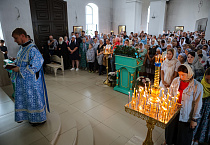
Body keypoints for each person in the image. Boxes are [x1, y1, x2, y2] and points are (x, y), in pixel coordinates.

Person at [11, 28, 49, 126]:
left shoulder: (32, 49)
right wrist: (14, 63)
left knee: (33, 100)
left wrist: (19, 69)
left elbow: (35, 66)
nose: (15, 41)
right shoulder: (22, 48)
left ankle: (39, 119)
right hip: (23, 81)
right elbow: (21, 61)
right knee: (26, 100)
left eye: (16, 38)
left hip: (32, 82)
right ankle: (28, 116)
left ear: (22, 36)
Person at [164, 64, 203, 145]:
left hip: (186, 115)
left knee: (182, 136)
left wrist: (194, 119)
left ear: (189, 74)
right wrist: (168, 107)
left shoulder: (197, 86)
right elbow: (170, 95)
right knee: (171, 132)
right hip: (173, 112)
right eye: (179, 74)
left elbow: (197, 104)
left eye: (183, 75)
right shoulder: (175, 81)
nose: (180, 77)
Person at [192, 68, 210, 145]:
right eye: (207, 79)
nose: (209, 82)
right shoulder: (198, 82)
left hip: (207, 111)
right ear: (204, 76)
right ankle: (191, 138)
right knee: (194, 124)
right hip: (197, 108)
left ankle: (197, 140)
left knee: (203, 125)